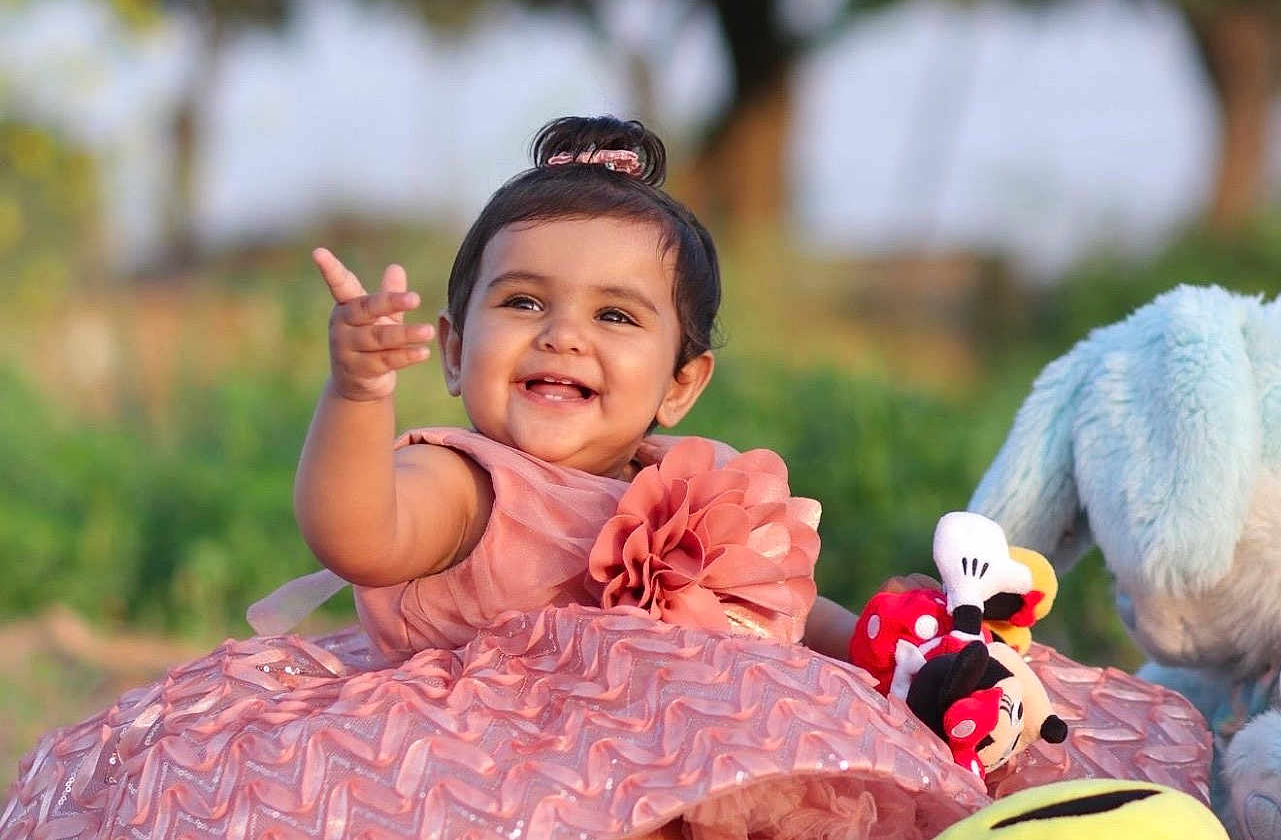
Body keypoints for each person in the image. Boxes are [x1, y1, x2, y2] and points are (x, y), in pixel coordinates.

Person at [2, 117, 1210, 840]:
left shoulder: (696, 484)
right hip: (500, 779)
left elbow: (780, 621)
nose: (564, 336)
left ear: (682, 383)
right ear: (456, 346)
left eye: (617, 316)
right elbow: (358, 531)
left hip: (700, 766)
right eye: (522, 304)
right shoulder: (465, 481)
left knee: (862, 745)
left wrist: (892, 659)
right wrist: (358, 397)